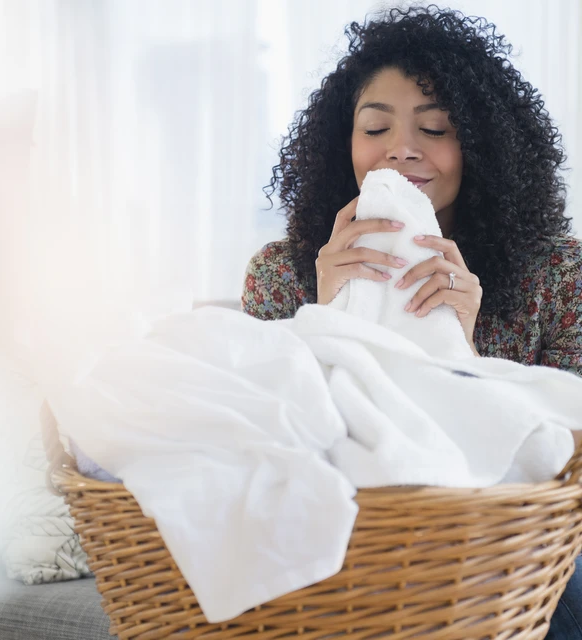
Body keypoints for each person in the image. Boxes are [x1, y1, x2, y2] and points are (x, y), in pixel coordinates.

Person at [241, 5, 582, 638]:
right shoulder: (282, 274)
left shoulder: (558, 275)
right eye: (375, 128)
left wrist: (464, 354)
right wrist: (324, 317)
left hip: (509, 547)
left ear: (481, 147)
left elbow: (569, 467)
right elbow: (263, 447)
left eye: (435, 128)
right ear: (342, 144)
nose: (401, 150)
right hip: (355, 540)